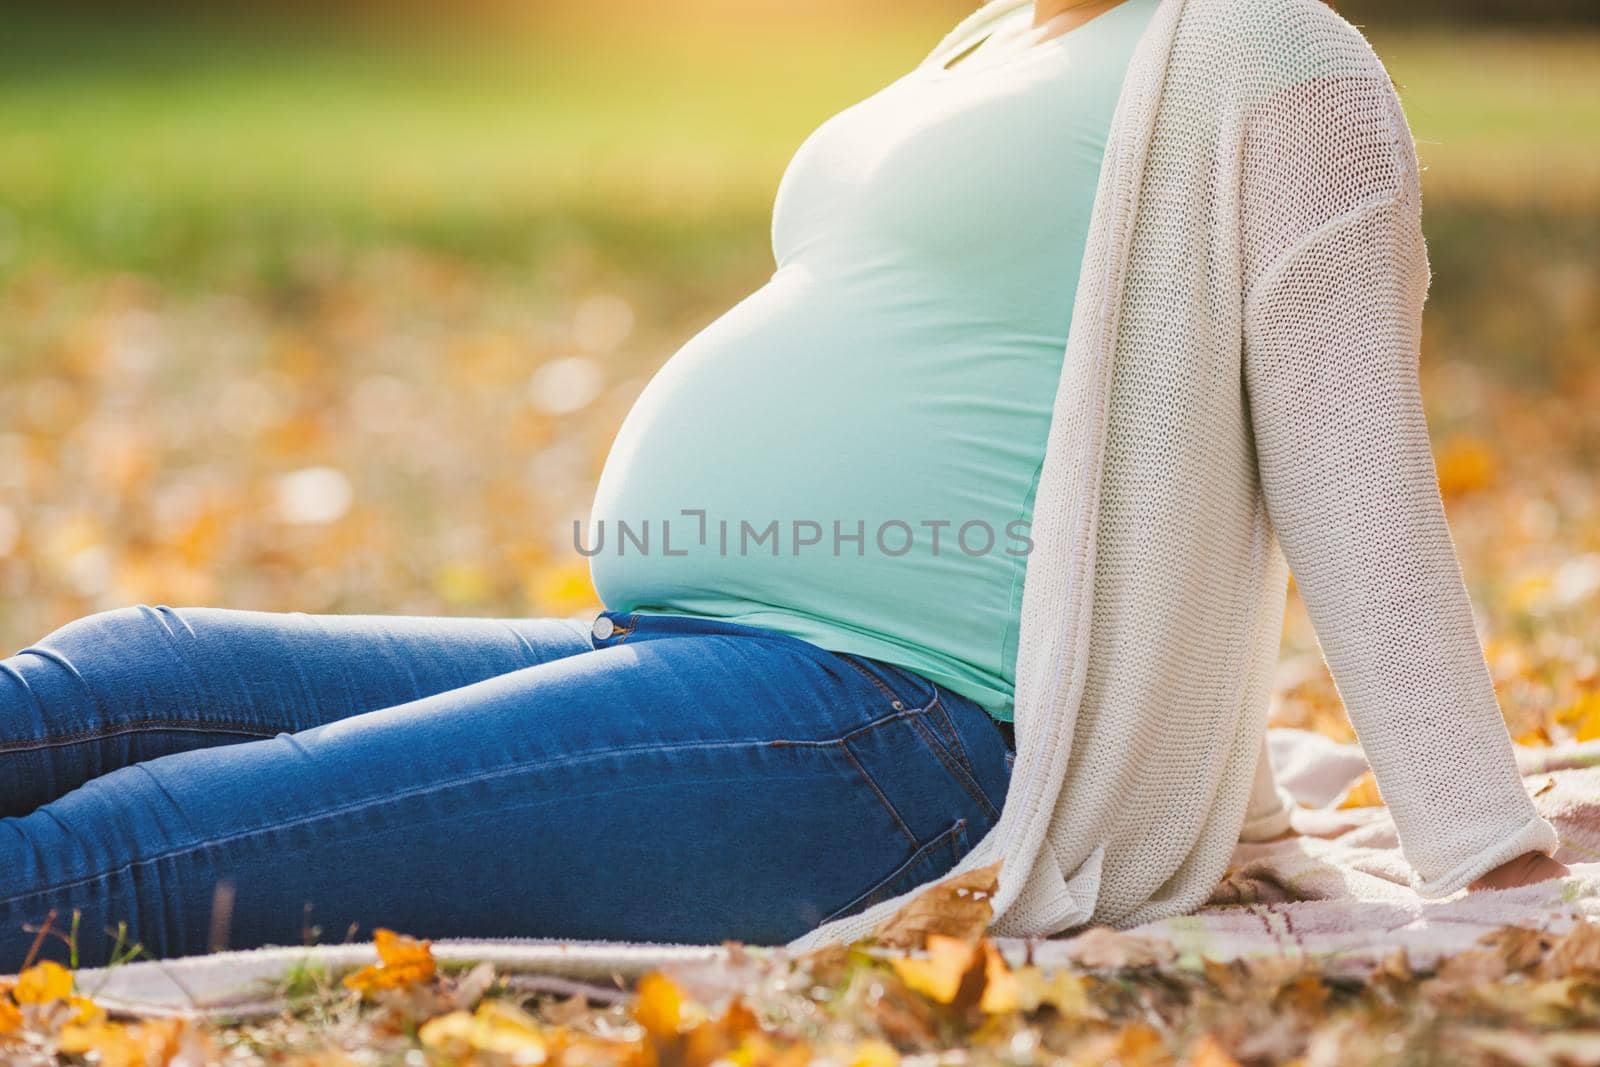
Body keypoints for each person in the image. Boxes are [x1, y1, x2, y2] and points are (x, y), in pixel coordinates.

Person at [0, 0, 1566, 970]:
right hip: (695, 663)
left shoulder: (1267, 50)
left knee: (143, 843)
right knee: (140, 667)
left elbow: (1355, 462)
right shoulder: (995, 35)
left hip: (891, 734)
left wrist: (1488, 855)